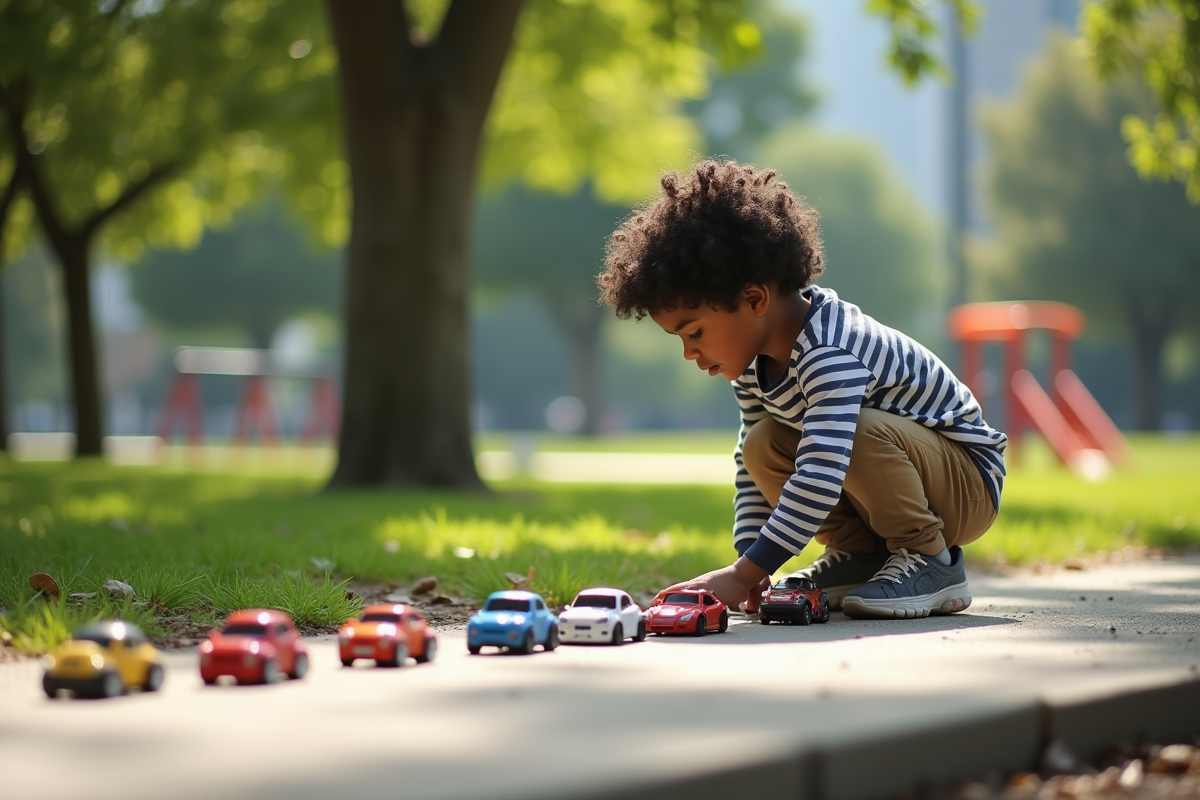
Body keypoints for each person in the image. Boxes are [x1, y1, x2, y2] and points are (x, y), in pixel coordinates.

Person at [596, 160, 1006, 619]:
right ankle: (861, 556)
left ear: (754, 299)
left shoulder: (831, 350)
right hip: (896, 474)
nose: (690, 353)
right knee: (762, 442)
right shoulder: (752, 366)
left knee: (853, 432)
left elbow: (821, 469)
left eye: (694, 333)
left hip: (966, 485)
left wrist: (742, 574)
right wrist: (751, 558)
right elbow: (753, 469)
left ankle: (932, 560)